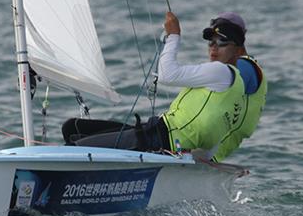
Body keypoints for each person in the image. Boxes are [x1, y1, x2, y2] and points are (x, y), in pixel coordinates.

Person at [62, 12, 267, 162]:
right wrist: (205, 159)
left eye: (221, 42)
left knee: (74, 148)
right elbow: (219, 128)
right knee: (74, 128)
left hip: (158, 139)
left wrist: (173, 36)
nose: (213, 47)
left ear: (238, 49)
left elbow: (167, 75)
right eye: (210, 42)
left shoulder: (222, 72)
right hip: (158, 134)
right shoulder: (234, 87)